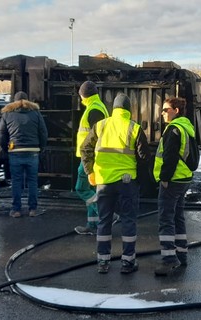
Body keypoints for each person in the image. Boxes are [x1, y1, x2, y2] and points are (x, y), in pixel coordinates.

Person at [80, 93, 150, 274]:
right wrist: (141, 182)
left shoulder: (101, 125)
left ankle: (103, 262)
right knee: (128, 220)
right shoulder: (134, 128)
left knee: (104, 220)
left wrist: (91, 172)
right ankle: (128, 262)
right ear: (128, 110)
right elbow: (143, 158)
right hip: (127, 182)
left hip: (104, 181)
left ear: (114, 109)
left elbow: (85, 148)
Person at [153, 97, 194, 276]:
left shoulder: (173, 129)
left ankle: (169, 259)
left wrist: (164, 178)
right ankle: (182, 255)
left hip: (173, 180)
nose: (162, 113)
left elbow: (169, 157)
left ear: (176, 111)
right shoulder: (187, 127)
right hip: (184, 178)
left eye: (165, 110)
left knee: (166, 219)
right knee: (178, 217)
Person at [0, 91, 48, 218]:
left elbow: (1, 134)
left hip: (15, 152)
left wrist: (6, 147)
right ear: (27, 100)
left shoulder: (7, 114)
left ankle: (16, 210)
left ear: (14, 101)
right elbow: (43, 132)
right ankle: (33, 209)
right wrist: (41, 147)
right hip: (32, 152)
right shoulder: (36, 113)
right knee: (32, 181)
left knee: (16, 181)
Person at [74, 81, 110, 235]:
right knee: (91, 190)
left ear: (82, 95)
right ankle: (92, 225)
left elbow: (95, 137)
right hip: (92, 155)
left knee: (81, 188)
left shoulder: (93, 110)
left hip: (89, 157)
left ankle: (105, 214)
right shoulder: (98, 106)